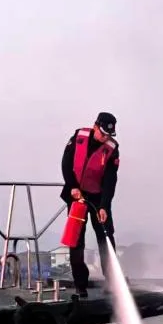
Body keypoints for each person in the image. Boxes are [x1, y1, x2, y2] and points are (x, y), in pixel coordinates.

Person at [59, 111, 120, 298]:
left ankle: (112, 282)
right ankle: (80, 284)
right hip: (77, 195)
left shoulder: (112, 149)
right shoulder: (79, 137)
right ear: (95, 127)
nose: (105, 138)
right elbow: (66, 163)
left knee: (106, 237)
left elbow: (110, 180)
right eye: (103, 133)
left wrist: (104, 206)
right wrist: (72, 186)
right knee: (76, 240)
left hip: (98, 198)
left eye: (109, 135)